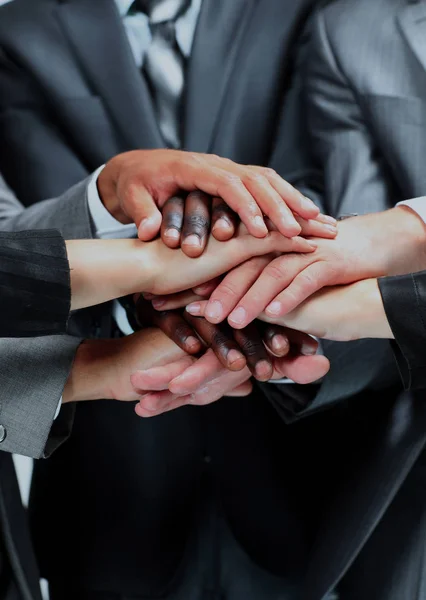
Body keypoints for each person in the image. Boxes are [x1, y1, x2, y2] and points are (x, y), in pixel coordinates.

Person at [0, 2, 348, 599]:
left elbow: (318, 184)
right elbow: (23, 236)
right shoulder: (18, 30)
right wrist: (128, 227)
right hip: (110, 476)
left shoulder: (295, 13)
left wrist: (228, 257)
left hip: (291, 454)